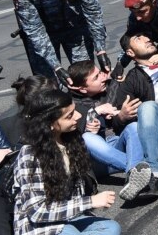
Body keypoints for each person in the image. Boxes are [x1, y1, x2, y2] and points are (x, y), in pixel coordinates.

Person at [12, 89, 121, 235]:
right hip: (38, 226)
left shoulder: (71, 139)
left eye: (74, 110)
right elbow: (37, 212)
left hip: (67, 216)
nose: (79, 116)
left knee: (112, 228)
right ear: (50, 124)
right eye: (69, 116)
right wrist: (90, 201)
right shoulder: (30, 154)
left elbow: (76, 193)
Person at [8, 0, 111, 86]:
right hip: (44, 34)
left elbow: (92, 11)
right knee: (49, 87)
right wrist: (56, 66)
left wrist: (101, 48)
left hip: (76, 29)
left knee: (85, 80)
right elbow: (34, 30)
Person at [67, 60, 152, 202]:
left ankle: (134, 172)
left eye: (99, 73)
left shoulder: (112, 86)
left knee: (132, 127)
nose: (103, 77)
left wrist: (121, 115)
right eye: (96, 77)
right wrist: (95, 112)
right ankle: (143, 172)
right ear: (82, 89)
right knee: (88, 138)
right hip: (93, 160)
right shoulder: (70, 104)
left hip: (114, 145)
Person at [113, 30, 158, 190]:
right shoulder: (133, 78)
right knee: (148, 107)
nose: (147, 39)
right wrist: (121, 116)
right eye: (138, 38)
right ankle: (155, 175)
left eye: (146, 36)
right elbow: (117, 125)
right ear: (130, 52)